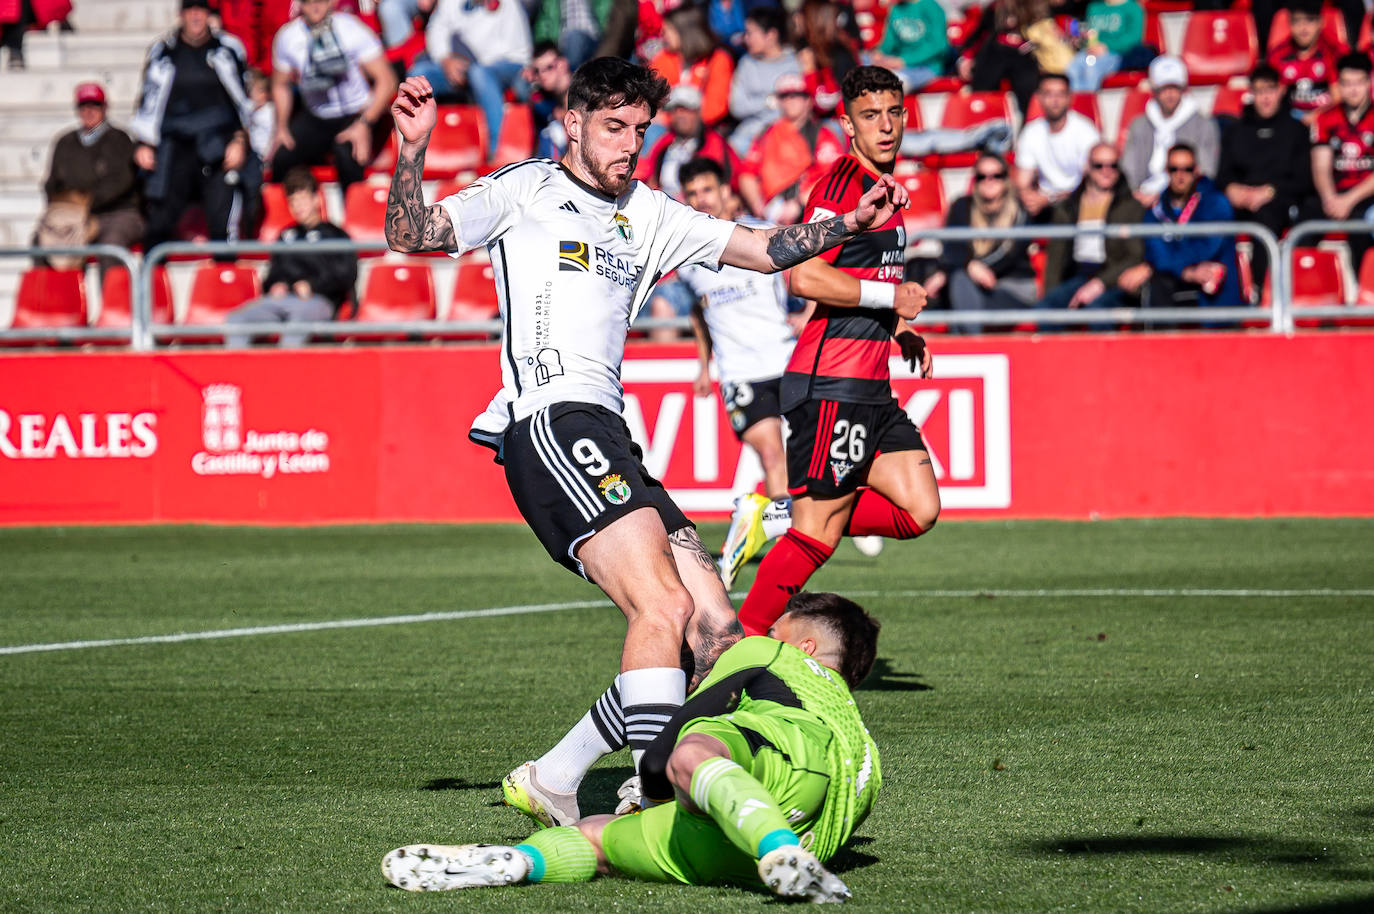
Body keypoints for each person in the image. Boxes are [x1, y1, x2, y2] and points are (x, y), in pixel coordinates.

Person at [384, 57, 910, 825]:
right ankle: (659, 787)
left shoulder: (652, 211)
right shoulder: (523, 190)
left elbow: (764, 248)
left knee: (716, 627)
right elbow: (412, 233)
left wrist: (848, 224)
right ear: (571, 122)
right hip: (551, 423)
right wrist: (412, 148)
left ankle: (556, 778)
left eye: (640, 129)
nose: (629, 144)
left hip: (612, 435)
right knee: (660, 604)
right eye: (612, 126)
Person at [382, 591, 882, 905]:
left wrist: (659, 782)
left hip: (773, 789)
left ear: (806, 647)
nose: (766, 634)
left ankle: (779, 850)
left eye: (777, 629)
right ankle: (520, 862)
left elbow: (687, 718)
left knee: (695, 750)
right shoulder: (864, 748)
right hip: (787, 836)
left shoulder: (767, 653)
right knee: (599, 837)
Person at [736, 66, 937, 640]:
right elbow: (803, 277)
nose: (887, 125)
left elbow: (867, 275)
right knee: (817, 534)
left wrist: (897, 326)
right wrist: (891, 296)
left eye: (894, 112)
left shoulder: (890, 190)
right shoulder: (841, 184)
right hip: (829, 382)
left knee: (919, 508)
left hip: (872, 385)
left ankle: (782, 511)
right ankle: (735, 649)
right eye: (871, 115)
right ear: (847, 123)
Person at [132, 0, 260, 252]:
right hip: (175, 146)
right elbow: (148, 101)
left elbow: (243, 104)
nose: (196, 17)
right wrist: (143, 143)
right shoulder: (162, 52)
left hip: (218, 145)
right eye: (190, 11)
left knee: (222, 228)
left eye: (201, 11)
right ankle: (153, 286)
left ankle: (226, 282)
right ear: (181, 15)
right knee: (158, 223)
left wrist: (239, 141)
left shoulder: (227, 49)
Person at [270, 0, 396, 193]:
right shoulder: (288, 37)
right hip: (316, 115)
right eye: (307, 1)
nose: (315, 6)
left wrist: (365, 123)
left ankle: (354, 217)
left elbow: (387, 80)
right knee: (282, 158)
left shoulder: (351, 29)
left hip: (356, 112)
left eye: (320, 0)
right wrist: (281, 127)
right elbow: (280, 85)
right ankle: (290, 219)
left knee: (348, 154)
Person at [224, 168, 357, 347]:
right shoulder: (286, 235)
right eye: (293, 201)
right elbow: (273, 274)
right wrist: (275, 285)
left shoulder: (336, 235)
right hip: (283, 299)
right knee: (236, 320)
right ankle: (237, 373)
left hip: (318, 301)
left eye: (302, 199)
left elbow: (346, 275)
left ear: (316, 199)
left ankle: (283, 373)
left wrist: (312, 286)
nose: (298, 206)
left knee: (298, 321)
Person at [1217, 64, 1316, 293]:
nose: (1265, 97)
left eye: (1270, 89)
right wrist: (1232, 189)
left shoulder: (1296, 130)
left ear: (1281, 90)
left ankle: (1259, 290)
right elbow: (1223, 175)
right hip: (1241, 200)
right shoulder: (1235, 130)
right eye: (1259, 91)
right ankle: (1220, 290)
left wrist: (1270, 191)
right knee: (1214, 210)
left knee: (1265, 216)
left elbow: (1304, 180)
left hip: (1280, 200)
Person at [1036, 142, 1149, 318]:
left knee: (1097, 312)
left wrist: (1101, 282)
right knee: (1046, 309)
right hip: (1078, 276)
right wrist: (1051, 293)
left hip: (1114, 278)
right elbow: (1056, 256)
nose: (1107, 170)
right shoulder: (1069, 208)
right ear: (1087, 167)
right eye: (1099, 165)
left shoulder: (1131, 207)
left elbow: (1135, 256)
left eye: (1113, 165)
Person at [927, 151, 1035, 332]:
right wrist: (969, 266)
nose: (989, 181)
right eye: (982, 176)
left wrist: (964, 267)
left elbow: (1009, 257)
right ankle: (968, 348)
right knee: (959, 283)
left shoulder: (1019, 211)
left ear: (1006, 179)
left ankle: (968, 349)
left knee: (959, 290)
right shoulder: (962, 206)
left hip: (1010, 287)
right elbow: (952, 247)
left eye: (996, 176)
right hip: (970, 286)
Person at [39, 82, 144, 259]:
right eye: (83, 105)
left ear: (105, 107)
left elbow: (120, 183)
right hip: (73, 214)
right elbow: (52, 184)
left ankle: (111, 287)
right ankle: (53, 288)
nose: (88, 110)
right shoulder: (65, 142)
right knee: (42, 241)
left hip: (117, 213)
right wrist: (64, 209)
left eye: (95, 105)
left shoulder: (120, 140)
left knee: (110, 243)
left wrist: (84, 204)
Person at [417, 0, 532, 158]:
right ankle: (417, 149)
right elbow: (437, 28)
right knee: (420, 74)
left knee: (480, 74)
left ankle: (496, 151)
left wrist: (468, 66)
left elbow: (513, 52)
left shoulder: (507, 4)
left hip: (510, 64)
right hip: (468, 65)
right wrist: (445, 60)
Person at [1143, 142, 1242, 311]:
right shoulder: (1157, 208)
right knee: (1157, 284)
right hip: (1176, 284)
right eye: (1174, 169)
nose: (1181, 175)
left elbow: (1206, 247)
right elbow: (1155, 250)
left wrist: (1174, 263)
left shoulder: (1215, 202)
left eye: (1187, 169)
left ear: (1196, 170)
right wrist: (1185, 272)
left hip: (1215, 295)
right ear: (1167, 171)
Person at [738, 72, 848, 225]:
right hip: (770, 214)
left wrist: (798, 203)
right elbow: (747, 174)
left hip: (810, 212)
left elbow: (832, 176)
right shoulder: (766, 132)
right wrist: (760, 207)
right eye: (784, 96)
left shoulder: (822, 133)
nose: (790, 101)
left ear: (808, 100)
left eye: (796, 95)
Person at [1120, 55, 1220, 207]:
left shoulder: (1203, 125)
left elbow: (1206, 171)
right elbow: (1129, 170)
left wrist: (1163, 194)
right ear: (1154, 90)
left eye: (1175, 88)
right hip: (1143, 198)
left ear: (1183, 89)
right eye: (1164, 89)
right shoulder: (1140, 124)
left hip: (1185, 199)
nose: (1170, 94)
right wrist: (1136, 194)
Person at [1311, 52, 1374, 272]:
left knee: (1360, 223)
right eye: (1347, 83)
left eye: (1359, 82)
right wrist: (1330, 199)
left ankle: (1364, 297)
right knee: (1303, 221)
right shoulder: (1326, 118)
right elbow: (1320, 165)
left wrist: (1348, 200)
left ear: (1369, 82)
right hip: (1334, 194)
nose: (1353, 89)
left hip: (1366, 195)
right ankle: (1302, 292)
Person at [1013, 72, 1101, 219]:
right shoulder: (1031, 132)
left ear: (1070, 98)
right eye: (1048, 94)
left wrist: (1051, 200)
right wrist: (1029, 198)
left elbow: (1091, 183)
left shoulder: (1086, 131)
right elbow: (1022, 182)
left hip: (1077, 203)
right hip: (1042, 203)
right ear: (1039, 98)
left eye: (1060, 94)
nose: (1055, 100)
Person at [635, 85, 741, 201]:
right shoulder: (664, 143)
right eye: (674, 110)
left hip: (700, 207)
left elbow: (730, 183)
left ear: (698, 112)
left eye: (686, 109)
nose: (680, 115)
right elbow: (650, 176)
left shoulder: (714, 143)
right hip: (664, 204)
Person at [727, 6, 801, 157]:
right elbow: (736, 106)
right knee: (731, 148)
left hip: (789, 131)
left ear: (771, 35)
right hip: (751, 133)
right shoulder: (746, 64)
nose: (745, 39)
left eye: (750, 33)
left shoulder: (796, 62)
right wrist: (767, 101)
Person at [648, 5, 735, 129]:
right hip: (666, 127)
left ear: (685, 32)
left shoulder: (718, 59)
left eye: (668, 30)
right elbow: (651, 95)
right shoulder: (665, 57)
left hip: (704, 129)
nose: (663, 34)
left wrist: (669, 120)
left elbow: (714, 108)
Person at [1266, 0, 1341, 127]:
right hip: (1289, 122)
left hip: (1325, 121)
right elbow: (1273, 97)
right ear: (1290, 24)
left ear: (1320, 22)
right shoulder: (1278, 55)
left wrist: (1316, 116)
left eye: (1310, 20)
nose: (1303, 27)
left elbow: (1338, 97)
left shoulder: (1333, 52)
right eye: (1297, 21)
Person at [1066, 0, 1149, 93]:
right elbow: (1090, 33)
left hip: (1119, 54)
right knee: (1073, 68)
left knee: (1091, 69)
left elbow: (1134, 38)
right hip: (1091, 52)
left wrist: (1106, 46)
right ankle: (1074, 102)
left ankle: (1085, 104)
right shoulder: (1094, 6)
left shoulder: (1133, 7)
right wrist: (1086, 43)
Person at [869, 0, 948, 93]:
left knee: (890, 85)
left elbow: (938, 46)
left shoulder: (931, 6)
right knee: (862, 63)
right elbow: (889, 43)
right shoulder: (896, 8)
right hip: (899, 63)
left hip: (926, 66)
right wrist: (879, 54)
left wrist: (904, 60)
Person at [528, 41, 574, 161]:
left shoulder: (584, 92)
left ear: (563, 64)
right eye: (537, 71)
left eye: (549, 67)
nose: (542, 75)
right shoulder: (545, 103)